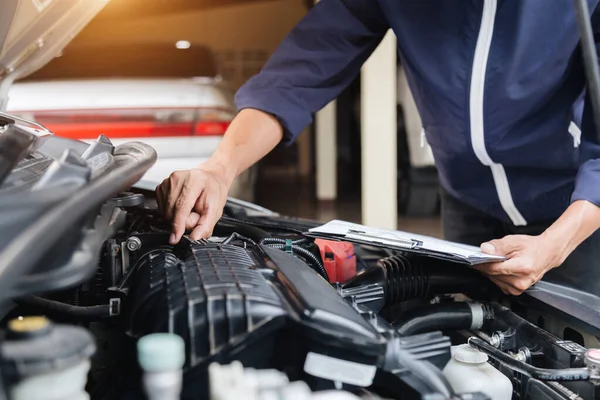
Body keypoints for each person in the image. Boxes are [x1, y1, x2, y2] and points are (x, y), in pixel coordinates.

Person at [156, 0, 600, 297]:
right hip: (468, 203)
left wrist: (558, 243)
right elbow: (300, 71)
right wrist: (220, 168)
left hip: (575, 212)